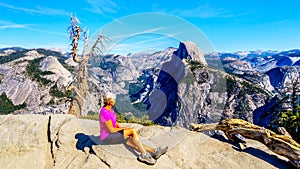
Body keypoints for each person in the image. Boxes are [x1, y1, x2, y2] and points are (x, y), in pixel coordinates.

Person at [99, 92, 168, 165]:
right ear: (110, 101)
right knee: (133, 131)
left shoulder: (110, 109)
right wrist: (125, 130)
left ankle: (154, 151)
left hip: (115, 134)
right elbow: (111, 130)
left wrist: (123, 128)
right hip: (108, 137)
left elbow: (114, 122)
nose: (115, 101)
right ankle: (144, 155)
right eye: (114, 99)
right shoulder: (104, 112)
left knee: (135, 142)